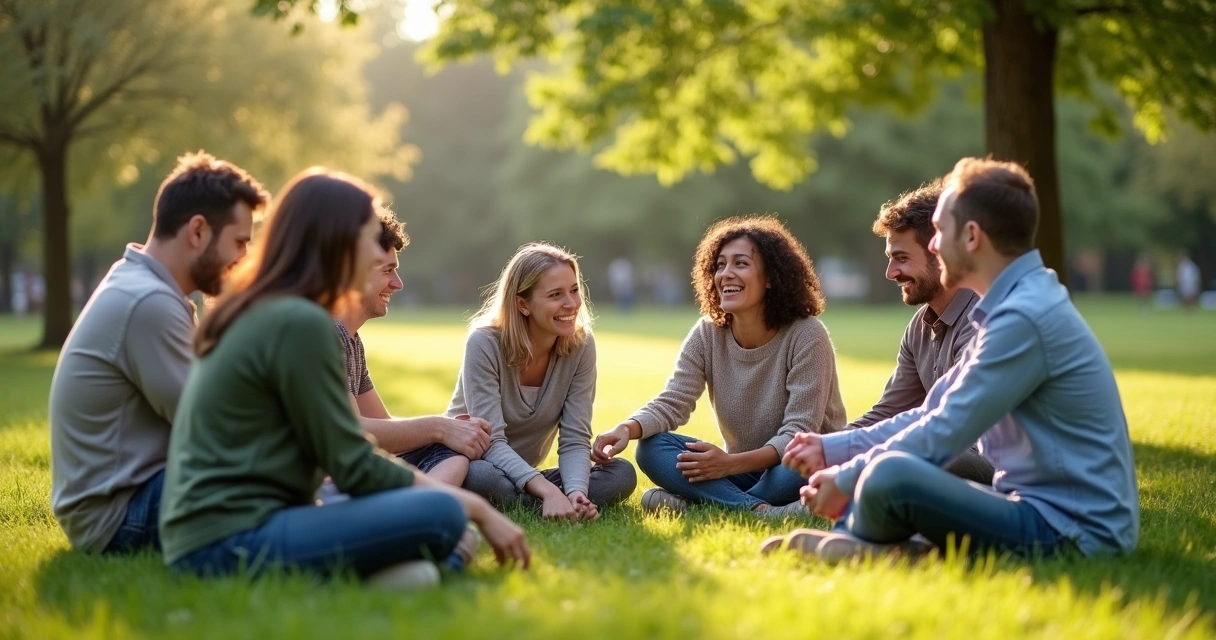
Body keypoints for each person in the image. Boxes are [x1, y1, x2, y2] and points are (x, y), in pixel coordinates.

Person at [160, 169, 530, 585]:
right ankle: (402, 571)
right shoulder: (301, 322)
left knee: (440, 515)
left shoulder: (264, 307)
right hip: (228, 540)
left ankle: (390, 571)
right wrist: (473, 507)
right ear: (337, 242)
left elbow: (342, 453)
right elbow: (354, 464)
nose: (373, 251)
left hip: (214, 532)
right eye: (366, 238)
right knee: (446, 516)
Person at [776, 158, 1139, 562]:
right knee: (890, 472)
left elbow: (946, 431)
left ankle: (873, 549)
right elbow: (929, 414)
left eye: (940, 231)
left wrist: (846, 477)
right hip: (1028, 506)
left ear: (971, 236)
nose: (933, 243)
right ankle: (888, 551)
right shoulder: (1009, 307)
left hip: (1073, 531)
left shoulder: (1025, 316)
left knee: (891, 474)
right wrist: (834, 448)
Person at [49, 152, 266, 554]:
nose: (243, 259)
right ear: (197, 230)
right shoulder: (147, 301)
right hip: (120, 513)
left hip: (137, 491)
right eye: (239, 242)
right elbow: (215, 427)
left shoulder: (147, 287)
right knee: (284, 473)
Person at [593, 216, 847, 516]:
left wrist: (728, 464)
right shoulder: (707, 333)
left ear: (770, 277)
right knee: (651, 448)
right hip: (741, 469)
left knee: (806, 462)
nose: (725, 274)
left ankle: (703, 502)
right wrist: (626, 428)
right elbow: (674, 401)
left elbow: (798, 432)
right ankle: (759, 509)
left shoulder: (807, 335)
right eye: (720, 265)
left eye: (740, 263)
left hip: (794, 466)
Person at [448, 243, 637, 521]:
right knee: (480, 476)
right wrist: (549, 492)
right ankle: (545, 502)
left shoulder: (581, 345)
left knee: (621, 473)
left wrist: (575, 491)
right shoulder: (484, 343)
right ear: (523, 304)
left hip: (523, 475)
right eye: (555, 295)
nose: (571, 304)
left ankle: (551, 504)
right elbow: (490, 443)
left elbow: (574, 438)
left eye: (574, 290)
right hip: (474, 462)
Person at [844, 179, 993, 485]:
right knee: (832, 454)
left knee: (889, 460)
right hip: (937, 451)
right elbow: (885, 414)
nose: (890, 273)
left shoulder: (983, 318)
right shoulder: (920, 327)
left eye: (901, 258)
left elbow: (952, 425)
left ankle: (780, 509)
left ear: (940, 254)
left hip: (981, 462)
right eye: (889, 259)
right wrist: (826, 444)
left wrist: (842, 450)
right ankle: (748, 496)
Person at [332, 210, 490, 487]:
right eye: (387, 270)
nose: (398, 283)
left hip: (346, 467)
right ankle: (422, 512)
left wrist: (453, 428)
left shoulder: (351, 340)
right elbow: (351, 430)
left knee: (450, 453)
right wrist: (440, 428)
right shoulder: (327, 334)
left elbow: (384, 426)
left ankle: (424, 509)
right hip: (318, 478)